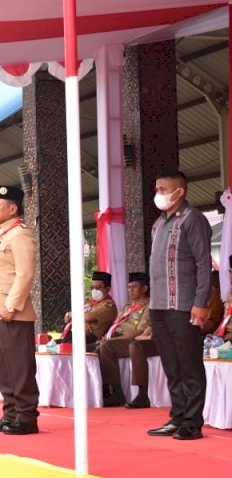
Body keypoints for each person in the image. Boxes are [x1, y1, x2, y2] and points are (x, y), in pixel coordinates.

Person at [146, 171, 212, 440]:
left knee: (189, 366)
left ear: (179, 192)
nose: (158, 193)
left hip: (183, 305)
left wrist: (200, 302)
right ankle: (177, 417)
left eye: (163, 188)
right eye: (157, 188)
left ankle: (192, 423)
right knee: (171, 366)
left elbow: (204, 264)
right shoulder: (158, 224)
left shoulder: (193, 219)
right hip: (158, 305)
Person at [0, 185, 40, 435]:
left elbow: (25, 273)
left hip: (10, 310)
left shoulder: (19, 234)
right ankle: (10, 413)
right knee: (3, 365)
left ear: (13, 208)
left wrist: (12, 305)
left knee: (19, 365)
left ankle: (26, 417)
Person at [96, 272, 151, 407]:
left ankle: (116, 392)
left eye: (134, 287)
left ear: (144, 289)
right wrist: (107, 337)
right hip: (115, 338)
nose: (130, 290)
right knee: (89, 348)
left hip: (132, 340)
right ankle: (101, 390)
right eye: (128, 287)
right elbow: (115, 325)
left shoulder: (148, 307)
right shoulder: (127, 308)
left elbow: (139, 331)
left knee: (106, 347)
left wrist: (110, 341)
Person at [59, 271, 118, 350]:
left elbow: (87, 317)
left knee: (65, 349)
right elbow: (67, 319)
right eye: (92, 287)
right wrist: (78, 318)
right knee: (52, 346)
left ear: (108, 289)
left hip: (91, 339)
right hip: (75, 334)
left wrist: (76, 316)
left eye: (98, 288)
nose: (94, 290)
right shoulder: (89, 302)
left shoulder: (108, 305)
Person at [216, 256, 232, 341]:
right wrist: (214, 336)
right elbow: (225, 321)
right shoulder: (230, 294)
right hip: (225, 337)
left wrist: (223, 338)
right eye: (230, 272)